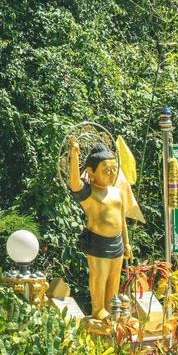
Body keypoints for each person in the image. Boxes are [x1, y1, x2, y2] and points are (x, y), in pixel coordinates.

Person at [67, 135, 134, 319]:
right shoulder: (89, 193)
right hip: (98, 242)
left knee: (114, 278)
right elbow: (74, 184)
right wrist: (74, 155)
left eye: (114, 169)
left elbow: (122, 219)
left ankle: (111, 306)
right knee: (100, 276)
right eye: (106, 170)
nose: (112, 173)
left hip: (117, 243)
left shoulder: (117, 192)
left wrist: (126, 243)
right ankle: (98, 309)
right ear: (91, 171)